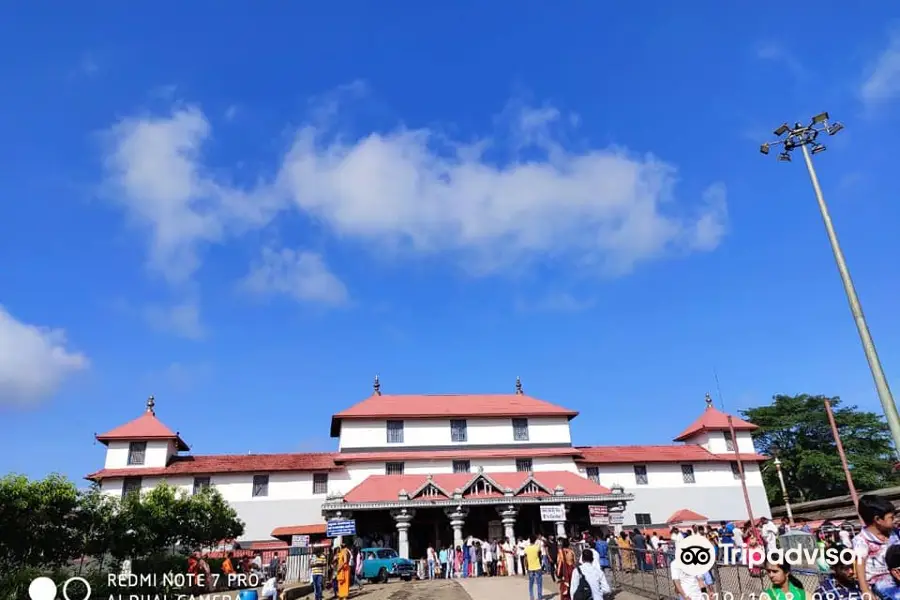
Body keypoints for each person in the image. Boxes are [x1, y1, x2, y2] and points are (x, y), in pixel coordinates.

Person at [853, 494, 900, 600]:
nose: (895, 520)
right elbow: (860, 567)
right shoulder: (862, 540)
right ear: (878, 519)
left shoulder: (894, 533)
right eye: (891, 518)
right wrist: (866, 592)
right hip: (880, 582)